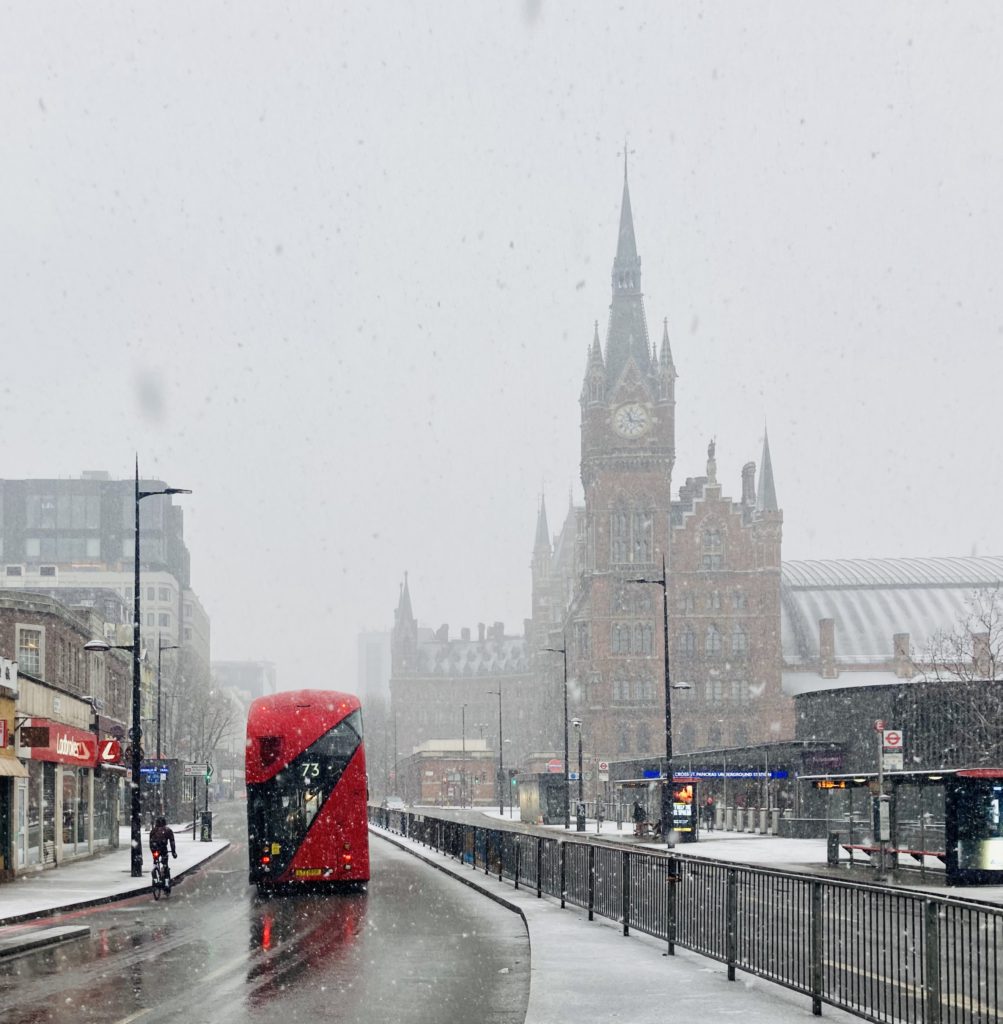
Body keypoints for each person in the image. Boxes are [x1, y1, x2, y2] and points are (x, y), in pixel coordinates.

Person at [149, 816, 177, 883]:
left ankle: (155, 873)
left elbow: (150, 842)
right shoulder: (168, 830)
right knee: (165, 864)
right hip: (163, 849)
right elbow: (172, 842)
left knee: (155, 860)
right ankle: (166, 881)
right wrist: (173, 852)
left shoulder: (153, 831)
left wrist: (153, 851)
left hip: (155, 849)